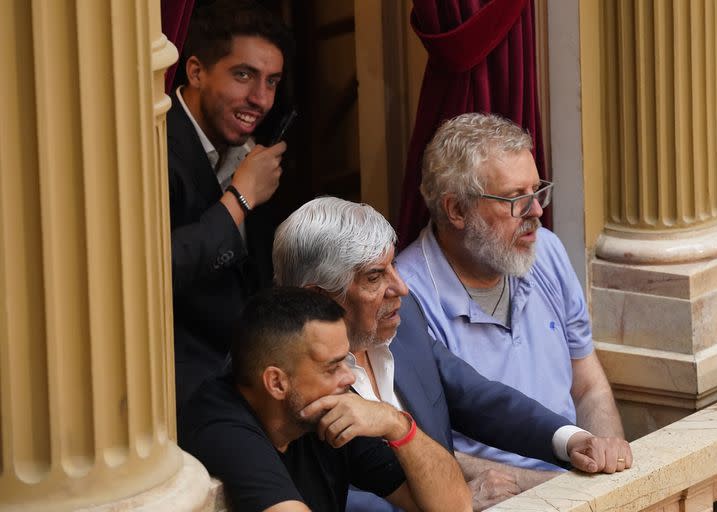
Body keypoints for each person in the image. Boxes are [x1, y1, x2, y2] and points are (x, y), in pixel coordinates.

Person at [272, 197, 633, 512]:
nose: (400, 287)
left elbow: (479, 398)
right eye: (374, 277)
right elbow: (334, 497)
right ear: (317, 298)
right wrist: (451, 500)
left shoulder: (404, 321)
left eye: (393, 266)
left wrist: (569, 440)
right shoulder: (290, 382)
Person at [395, 112, 625, 492]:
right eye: (516, 199)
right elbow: (419, 449)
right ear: (456, 210)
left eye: (536, 191)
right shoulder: (406, 298)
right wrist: (555, 486)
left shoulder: (544, 251)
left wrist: (611, 466)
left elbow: (587, 386)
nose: (536, 212)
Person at [179, 287, 471, 512]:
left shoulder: (327, 407)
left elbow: (455, 505)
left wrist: (396, 424)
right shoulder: (222, 423)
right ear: (276, 382)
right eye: (332, 367)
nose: (349, 377)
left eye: (345, 361)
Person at [168, 0, 292, 408]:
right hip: (185, 382)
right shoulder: (157, 146)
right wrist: (240, 198)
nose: (260, 98)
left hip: (252, 367)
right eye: (244, 76)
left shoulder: (248, 152)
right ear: (196, 71)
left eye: (272, 82)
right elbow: (162, 267)